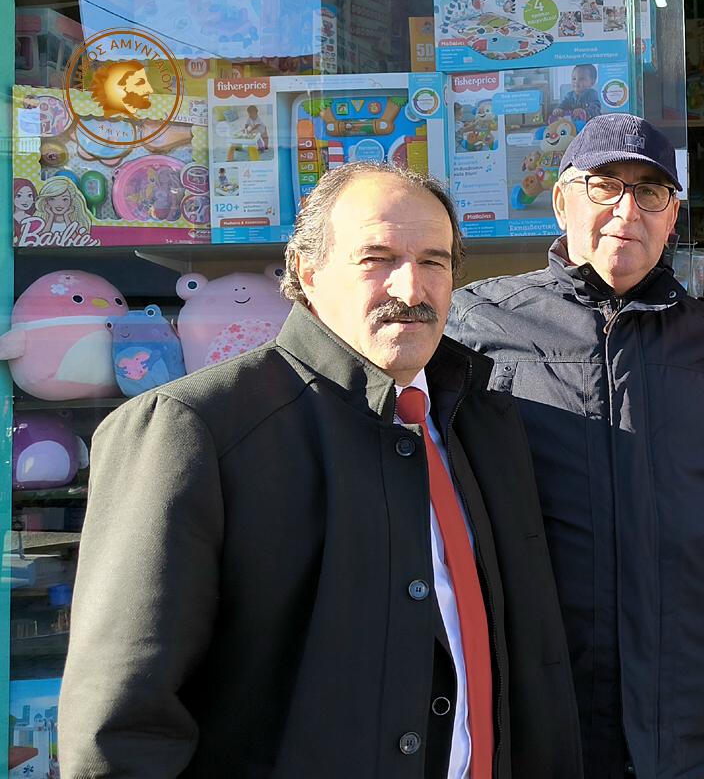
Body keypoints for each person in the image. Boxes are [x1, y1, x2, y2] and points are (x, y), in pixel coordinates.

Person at [59, 161, 583, 778]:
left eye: (434, 262)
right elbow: (122, 727)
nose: (411, 288)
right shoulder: (193, 428)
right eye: (377, 259)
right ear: (308, 272)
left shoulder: (482, 422)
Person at [448, 113, 704, 779]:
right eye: (604, 186)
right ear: (561, 201)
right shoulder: (475, 327)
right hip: (536, 718)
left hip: (683, 713)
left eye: (650, 192)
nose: (626, 210)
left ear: (672, 218)